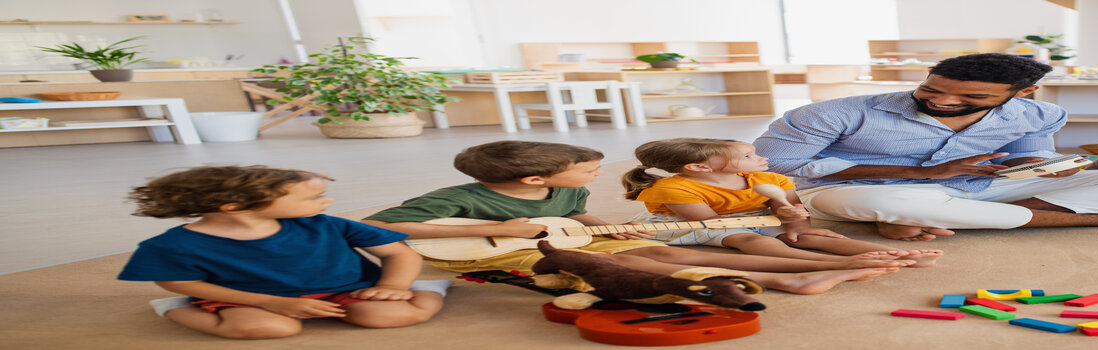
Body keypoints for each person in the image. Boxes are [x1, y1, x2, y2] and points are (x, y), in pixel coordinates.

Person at [754, 53, 1098, 242]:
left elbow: (1036, 155)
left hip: (987, 190)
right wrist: (927, 175)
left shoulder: (1040, 112)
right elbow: (778, 165)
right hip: (867, 190)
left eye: (969, 98)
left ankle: (950, 215)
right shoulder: (833, 111)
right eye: (933, 89)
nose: (943, 100)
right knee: (883, 200)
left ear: (1020, 93)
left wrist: (1047, 167)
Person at [361, 141, 897, 295]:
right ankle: (794, 278)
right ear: (533, 181)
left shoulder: (561, 198)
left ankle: (795, 269)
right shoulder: (455, 198)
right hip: (494, 253)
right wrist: (499, 228)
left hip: (567, 239)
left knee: (664, 248)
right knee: (640, 266)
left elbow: (579, 216)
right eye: (588, 171)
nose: (598, 174)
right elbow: (377, 228)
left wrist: (606, 224)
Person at [119, 166, 446, 339]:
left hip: (349, 290)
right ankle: (173, 311)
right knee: (269, 329)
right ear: (235, 207)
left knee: (393, 316)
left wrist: (393, 287)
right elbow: (179, 282)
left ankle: (428, 289)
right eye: (312, 198)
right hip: (247, 297)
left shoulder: (326, 224)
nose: (325, 202)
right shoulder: (172, 245)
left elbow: (399, 254)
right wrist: (269, 302)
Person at [621, 138, 942, 267]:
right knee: (747, 240)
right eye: (748, 156)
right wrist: (775, 224)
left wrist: (793, 221)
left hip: (756, 215)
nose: (761, 158)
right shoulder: (672, 190)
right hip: (702, 223)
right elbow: (711, 223)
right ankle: (819, 265)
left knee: (814, 236)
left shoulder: (772, 180)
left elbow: (790, 207)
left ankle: (896, 256)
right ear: (699, 168)